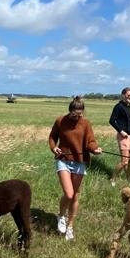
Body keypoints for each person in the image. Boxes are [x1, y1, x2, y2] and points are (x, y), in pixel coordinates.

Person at [49, 96, 102, 241]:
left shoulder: (85, 123)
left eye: (80, 114)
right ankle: (61, 216)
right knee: (69, 194)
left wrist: (95, 149)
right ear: (70, 111)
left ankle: (70, 227)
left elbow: (90, 141)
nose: (77, 117)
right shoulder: (61, 121)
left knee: (75, 195)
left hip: (80, 161)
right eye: (75, 114)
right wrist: (54, 148)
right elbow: (52, 137)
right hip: (63, 160)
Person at [109, 87, 130, 186]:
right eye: (128, 95)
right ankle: (113, 178)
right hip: (123, 137)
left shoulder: (128, 106)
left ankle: (128, 178)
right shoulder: (118, 106)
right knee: (124, 161)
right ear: (123, 95)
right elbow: (112, 121)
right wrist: (121, 131)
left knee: (129, 161)